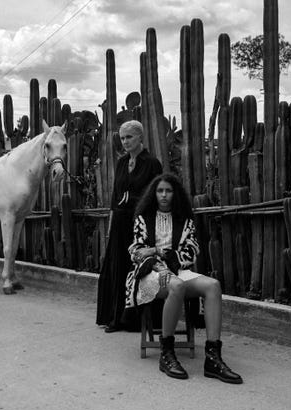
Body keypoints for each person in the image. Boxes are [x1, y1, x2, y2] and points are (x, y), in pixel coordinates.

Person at [125, 173, 243, 384]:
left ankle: (213, 359)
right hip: (150, 274)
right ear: (154, 193)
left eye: (168, 191)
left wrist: (158, 251)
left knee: (213, 286)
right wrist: (159, 259)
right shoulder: (143, 219)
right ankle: (167, 354)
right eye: (160, 190)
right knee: (177, 286)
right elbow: (137, 252)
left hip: (178, 271)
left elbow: (191, 252)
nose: (163, 195)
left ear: (175, 193)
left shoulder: (185, 221)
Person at [96, 120, 163, 333]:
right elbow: (116, 196)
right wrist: (111, 221)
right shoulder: (122, 163)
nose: (125, 142)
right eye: (122, 138)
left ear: (140, 137)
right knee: (118, 266)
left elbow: (155, 196)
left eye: (129, 137)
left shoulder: (152, 163)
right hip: (120, 222)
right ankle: (116, 318)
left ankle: (138, 320)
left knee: (138, 268)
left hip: (141, 222)